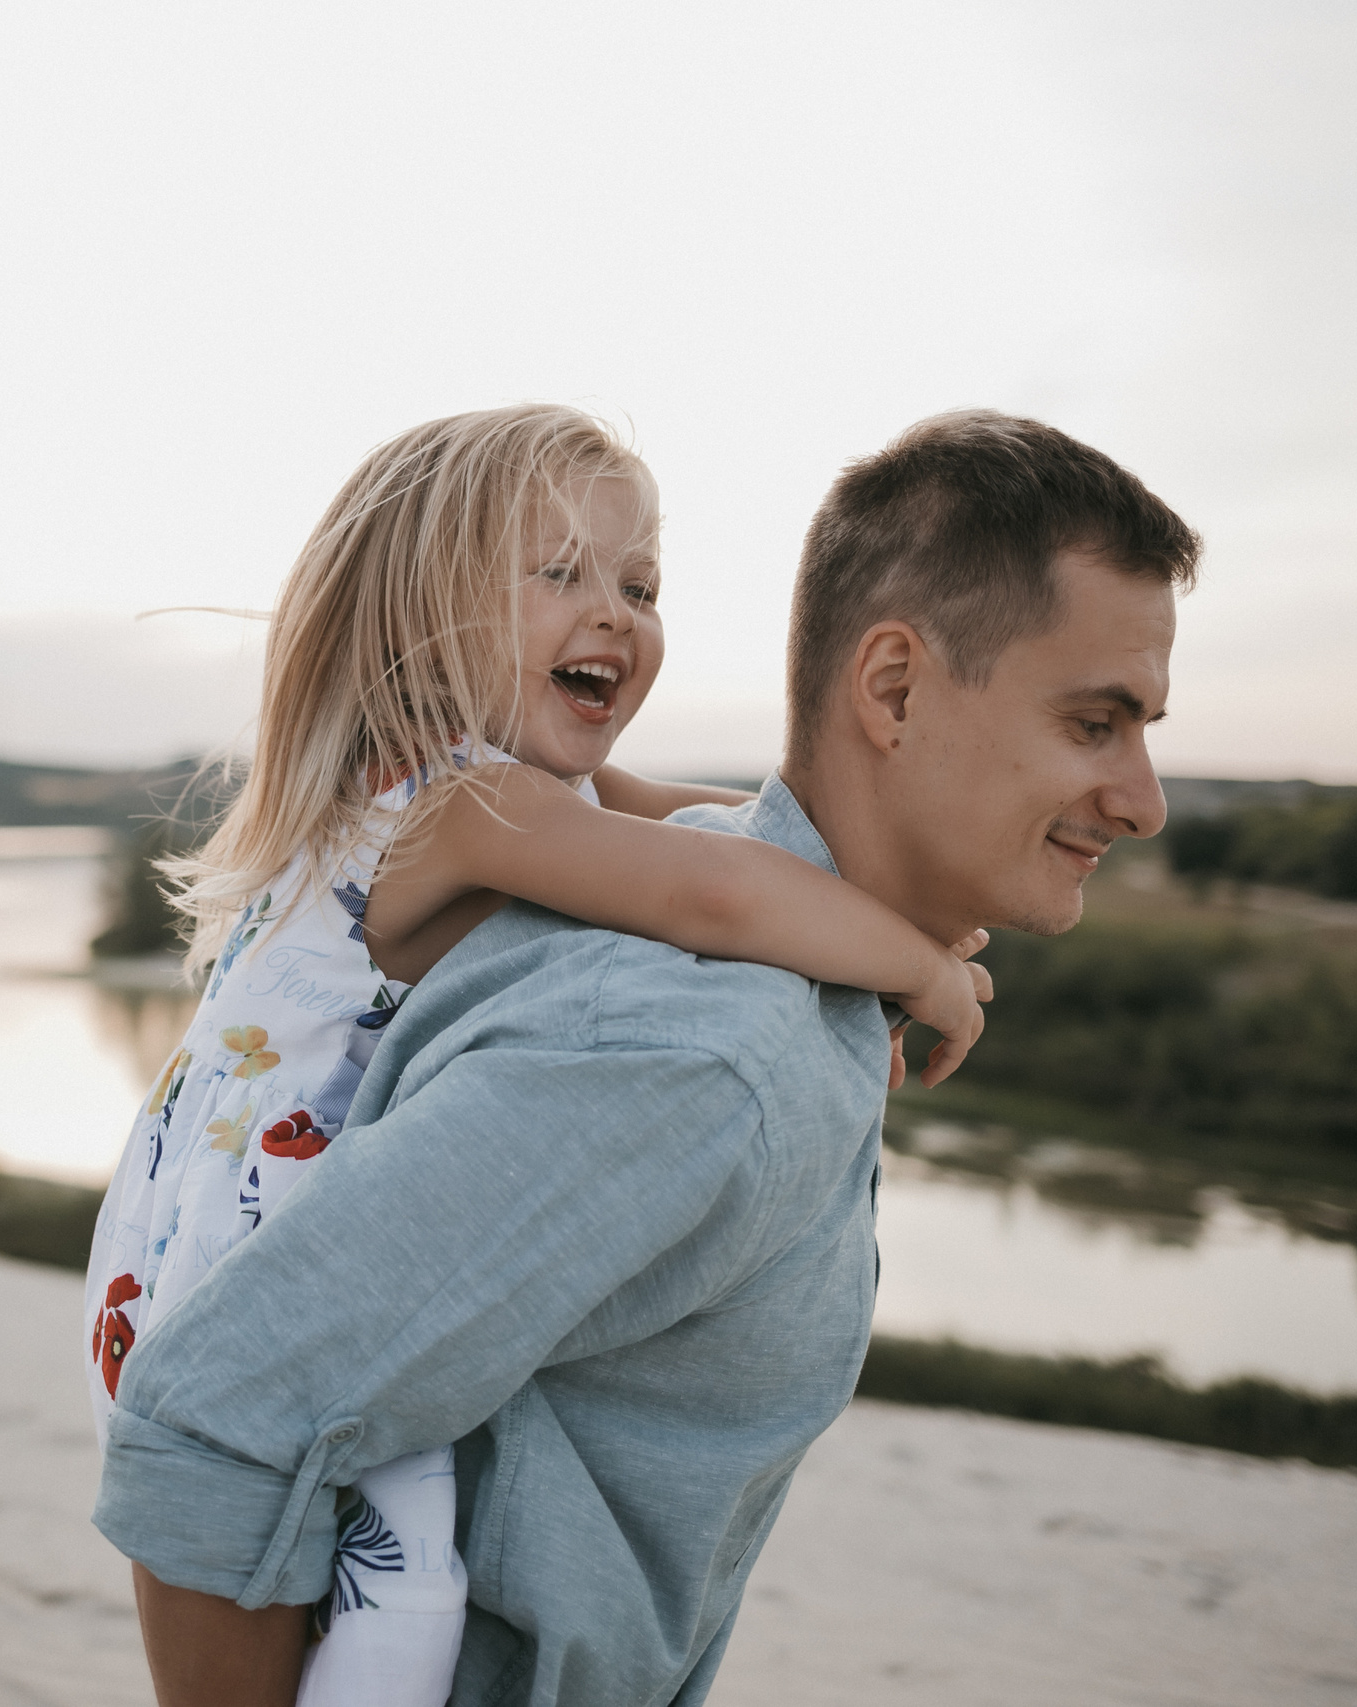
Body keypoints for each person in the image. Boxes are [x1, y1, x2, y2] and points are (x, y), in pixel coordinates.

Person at [93, 407, 1201, 1707]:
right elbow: (715, 894)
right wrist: (921, 969)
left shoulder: (523, 799)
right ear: (892, 687)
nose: (1145, 798)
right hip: (240, 1241)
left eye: (640, 585)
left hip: (222, 1240)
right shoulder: (660, 1007)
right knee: (376, 1579)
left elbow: (702, 838)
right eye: (1096, 724)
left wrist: (871, 922)